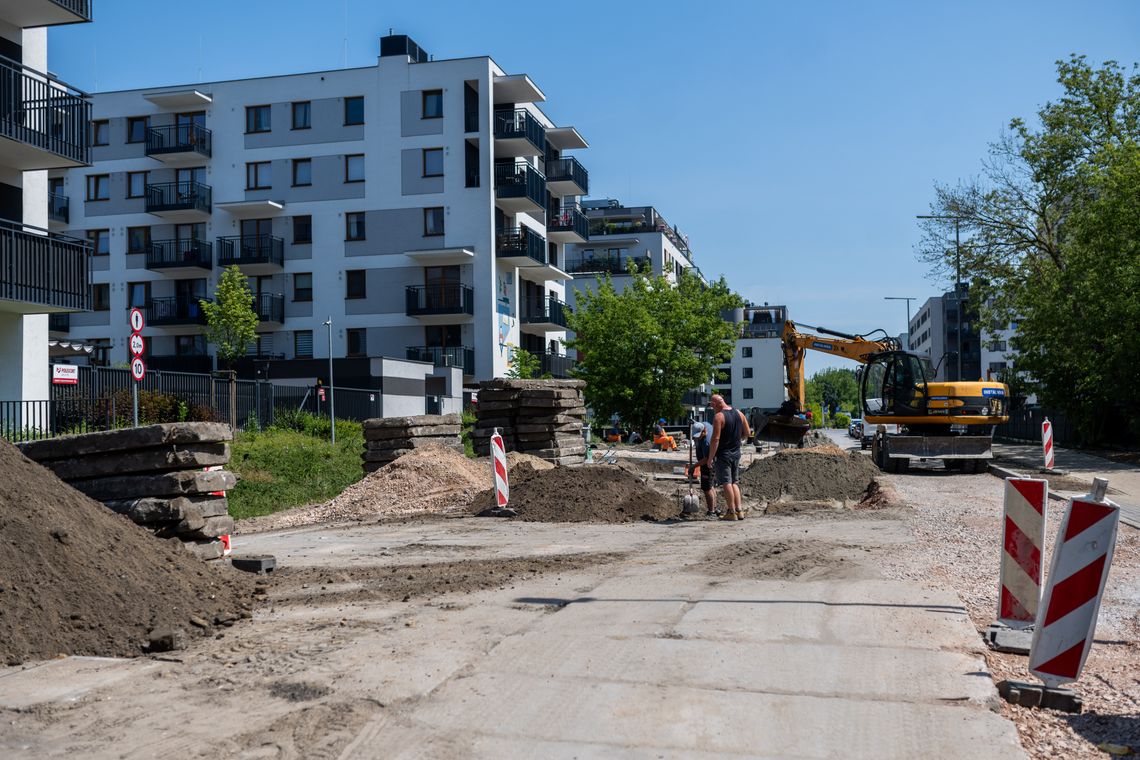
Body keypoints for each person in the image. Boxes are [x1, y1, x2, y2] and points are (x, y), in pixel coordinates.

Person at [707, 393, 751, 520]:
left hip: (723, 455)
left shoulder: (719, 417)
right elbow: (747, 432)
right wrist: (737, 439)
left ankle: (731, 512)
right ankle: (739, 511)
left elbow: (715, 439)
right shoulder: (739, 413)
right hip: (736, 453)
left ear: (716, 404)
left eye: (712, 405)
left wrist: (710, 458)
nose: (712, 408)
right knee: (734, 482)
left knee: (727, 482)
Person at [688, 421, 717, 517]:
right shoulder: (701, 430)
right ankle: (714, 509)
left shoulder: (706, 442)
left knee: (707, 489)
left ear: (703, 431)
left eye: (698, 436)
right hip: (707, 464)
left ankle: (711, 512)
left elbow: (707, 459)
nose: (697, 437)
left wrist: (694, 466)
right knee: (710, 487)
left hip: (708, 465)